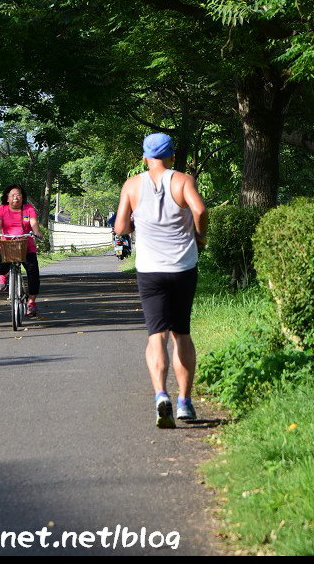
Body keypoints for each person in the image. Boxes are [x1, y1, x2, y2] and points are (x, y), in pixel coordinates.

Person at [114, 133, 208, 428]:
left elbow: (120, 226)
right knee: (181, 333)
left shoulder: (132, 185)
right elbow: (201, 210)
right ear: (171, 156)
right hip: (182, 267)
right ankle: (184, 403)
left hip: (150, 270)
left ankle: (160, 396)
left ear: (144, 157)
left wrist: (137, 222)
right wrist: (200, 237)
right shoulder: (182, 180)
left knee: (157, 335)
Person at [0, 184, 43, 318]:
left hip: (26, 245)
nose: (16, 198)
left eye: (18, 195)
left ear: (22, 197)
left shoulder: (28, 208)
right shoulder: (2, 209)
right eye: (12, 195)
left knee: (33, 274)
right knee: (2, 265)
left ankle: (31, 303)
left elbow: (33, 223)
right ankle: (3, 276)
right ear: (7, 198)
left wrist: (37, 233)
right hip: (7, 245)